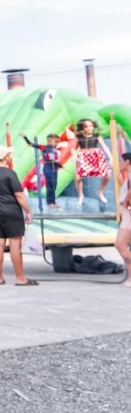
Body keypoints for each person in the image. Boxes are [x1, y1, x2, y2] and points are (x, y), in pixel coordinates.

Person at [0, 145, 37, 286]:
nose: (11, 157)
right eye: (10, 155)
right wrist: (28, 211)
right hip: (12, 212)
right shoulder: (10, 174)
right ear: (6, 157)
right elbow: (19, 195)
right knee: (15, 245)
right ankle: (20, 278)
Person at [72, 118, 113, 205]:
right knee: (78, 176)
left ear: (93, 127)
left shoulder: (97, 136)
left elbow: (105, 147)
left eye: (90, 126)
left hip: (95, 156)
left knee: (108, 175)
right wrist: (74, 155)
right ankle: (80, 195)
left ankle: (100, 191)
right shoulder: (78, 137)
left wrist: (111, 157)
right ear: (82, 128)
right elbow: (72, 147)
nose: (88, 128)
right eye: (86, 126)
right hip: (83, 157)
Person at [20, 132, 63, 209]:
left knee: (54, 186)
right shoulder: (44, 147)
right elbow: (31, 144)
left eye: (57, 142)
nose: (57, 143)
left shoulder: (55, 150)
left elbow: (55, 160)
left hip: (54, 170)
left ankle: (53, 202)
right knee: (50, 186)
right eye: (55, 142)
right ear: (50, 141)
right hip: (48, 168)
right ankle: (49, 202)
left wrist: (59, 164)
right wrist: (25, 137)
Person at [115, 152, 131, 288]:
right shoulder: (128, 177)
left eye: (122, 161)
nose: (120, 163)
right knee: (122, 245)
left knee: (120, 244)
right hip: (126, 211)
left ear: (128, 162)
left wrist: (126, 202)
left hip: (128, 213)